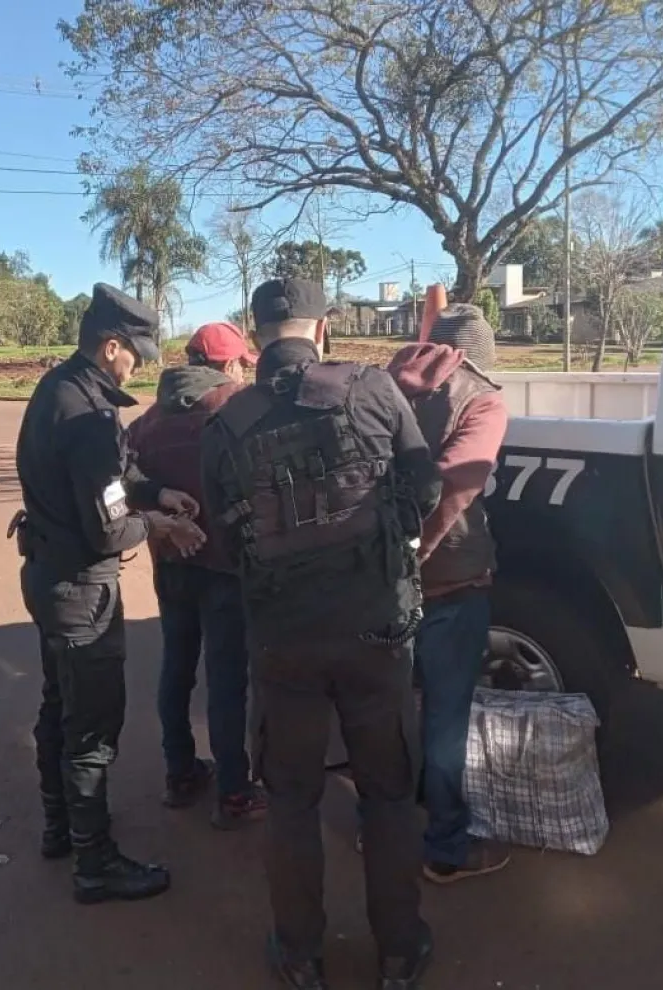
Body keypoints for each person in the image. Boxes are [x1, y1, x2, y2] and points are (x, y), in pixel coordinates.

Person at [200, 279, 443, 990]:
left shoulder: (226, 422)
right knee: (390, 795)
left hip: (283, 646)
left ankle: (300, 954)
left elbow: (223, 536)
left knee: (293, 799)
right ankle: (399, 951)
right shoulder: (373, 389)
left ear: (256, 333)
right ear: (323, 329)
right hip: (377, 632)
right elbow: (423, 490)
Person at [13, 283, 206, 905]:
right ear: (111, 345)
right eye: (136, 354)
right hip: (80, 590)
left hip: (47, 577)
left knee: (57, 705)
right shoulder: (88, 415)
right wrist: (162, 525)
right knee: (93, 728)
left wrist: (154, 494)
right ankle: (95, 864)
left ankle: (61, 827)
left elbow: (116, 479)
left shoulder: (61, 390)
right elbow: (109, 528)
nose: (140, 365)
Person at [385, 303, 510, 884]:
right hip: (450, 582)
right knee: (444, 719)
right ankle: (445, 848)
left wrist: (389, 561)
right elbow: (458, 484)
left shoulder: (384, 383)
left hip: (376, 580)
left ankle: (377, 830)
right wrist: (417, 555)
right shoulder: (482, 399)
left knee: (384, 713)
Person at [127, 322, 268, 826]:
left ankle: (181, 772)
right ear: (228, 365)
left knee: (177, 668)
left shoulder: (149, 418)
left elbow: (124, 476)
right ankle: (234, 792)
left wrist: (160, 511)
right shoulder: (240, 408)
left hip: (172, 563)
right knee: (228, 682)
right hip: (228, 568)